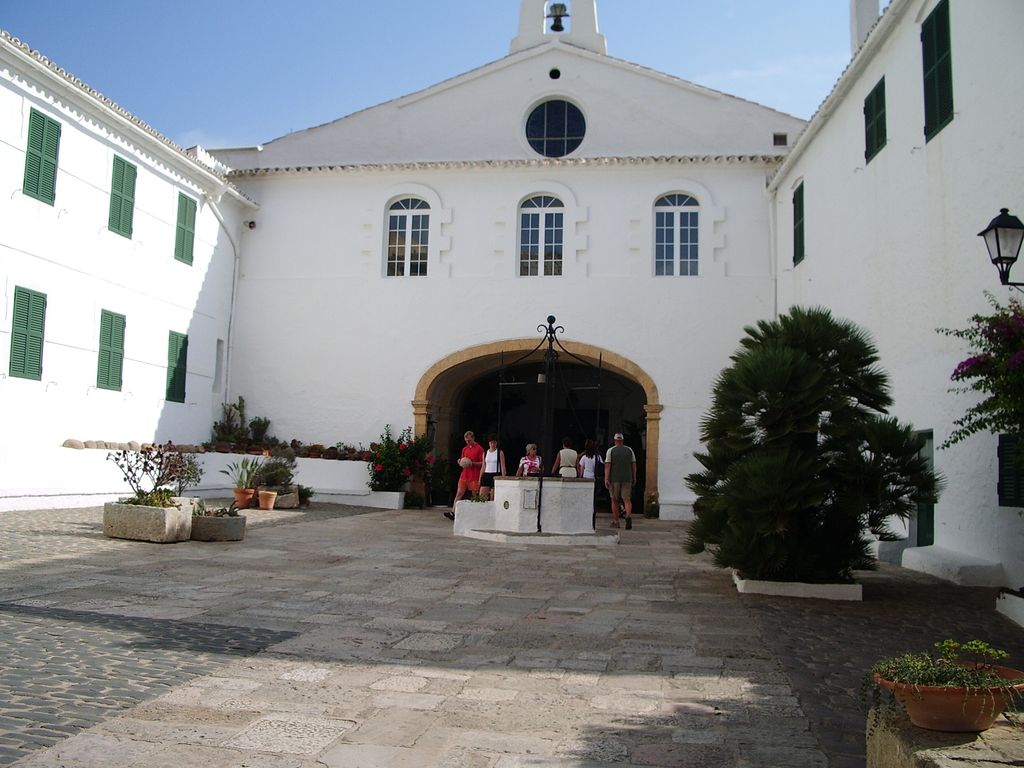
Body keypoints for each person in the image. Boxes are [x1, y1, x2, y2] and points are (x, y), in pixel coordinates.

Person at [445, 430, 484, 520]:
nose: (467, 442)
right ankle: (453, 512)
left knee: (475, 495)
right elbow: (463, 461)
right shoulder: (465, 449)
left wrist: (472, 463)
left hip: (474, 475)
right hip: (464, 475)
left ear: (473, 438)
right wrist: (460, 462)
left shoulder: (479, 449)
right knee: (459, 493)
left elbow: (483, 463)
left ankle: (476, 514)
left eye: (469, 440)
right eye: (466, 441)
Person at [604, 432, 637, 529]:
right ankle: (628, 517)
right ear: (622, 440)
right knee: (627, 499)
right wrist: (634, 477)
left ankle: (616, 521)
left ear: (615, 441)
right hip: (627, 478)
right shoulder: (629, 450)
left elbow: (608, 465)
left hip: (614, 479)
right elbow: (634, 465)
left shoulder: (611, 450)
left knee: (614, 499)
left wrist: (606, 478)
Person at [479, 434, 507, 501]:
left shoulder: (500, 452)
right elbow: (483, 466)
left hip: (496, 474)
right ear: (489, 443)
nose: (492, 444)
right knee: (482, 496)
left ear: (496, 443)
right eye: (491, 442)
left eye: (494, 442)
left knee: (493, 496)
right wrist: (480, 478)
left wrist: (503, 477)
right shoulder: (485, 453)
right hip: (486, 474)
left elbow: (503, 466)